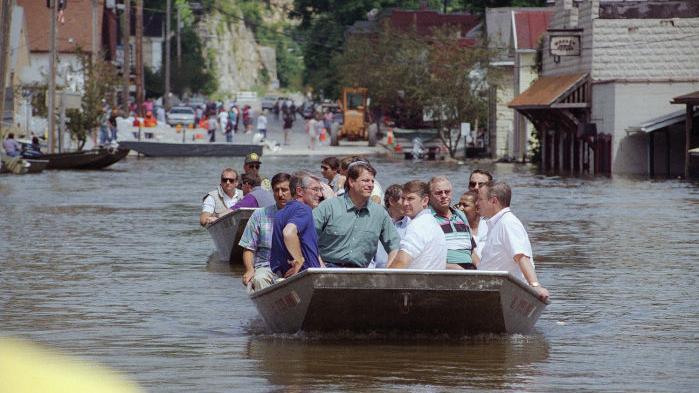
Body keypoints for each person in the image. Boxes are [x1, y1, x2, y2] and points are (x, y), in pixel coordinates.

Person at [313, 161, 400, 268]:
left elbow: (395, 246)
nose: (371, 185)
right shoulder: (328, 207)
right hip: (326, 268)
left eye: (372, 181)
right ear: (351, 182)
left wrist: (388, 272)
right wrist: (320, 267)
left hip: (360, 273)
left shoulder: (380, 213)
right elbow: (307, 238)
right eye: (365, 181)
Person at [476, 181, 550, 301]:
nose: (477, 203)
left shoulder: (508, 223)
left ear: (493, 201)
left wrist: (535, 285)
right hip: (493, 293)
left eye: (480, 199)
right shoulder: (497, 223)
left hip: (507, 296)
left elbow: (521, 257)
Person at [239, 173, 292, 292]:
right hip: (265, 266)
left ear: (292, 191)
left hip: (293, 266)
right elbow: (248, 248)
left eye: (284, 190)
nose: (280, 194)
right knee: (259, 279)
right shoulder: (259, 215)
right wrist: (249, 269)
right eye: (276, 190)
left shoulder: (301, 214)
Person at [269, 172, 324, 278]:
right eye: (315, 189)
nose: (320, 195)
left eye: (320, 190)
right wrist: (299, 260)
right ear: (299, 191)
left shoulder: (281, 213)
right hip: (305, 277)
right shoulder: (304, 209)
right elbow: (288, 233)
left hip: (286, 277)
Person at [388, 181, 447, 270]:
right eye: (403, 198)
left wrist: (383, 281)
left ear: (425, 201)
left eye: (410, 199)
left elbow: (401, 262)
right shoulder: (433, 223)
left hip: (416, 282)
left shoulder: (418, 225)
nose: (405, 203)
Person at [428, 176, 478, 270]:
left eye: (447, 192)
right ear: (429, 196)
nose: (443, 195)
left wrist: (483, 269)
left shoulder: (460, 215)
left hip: (469, 268)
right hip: (445, 270)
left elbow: (472, 252)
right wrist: (455, 268)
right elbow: (426, 257)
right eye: (439, 193)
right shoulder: (427, 218)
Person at [373, 184, 410, 268]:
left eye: (408, 199)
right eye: (403, 199)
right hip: (375, 273)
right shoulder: (376, 222)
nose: (407, 203)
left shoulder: (412, 225)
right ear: (392, 201)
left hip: (402, 273)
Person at [468, 169, 493, 252]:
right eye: (472, 184)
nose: (476, 187)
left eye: (481, 184)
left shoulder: (497, 215)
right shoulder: (457, 213)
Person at [456, 190, 485, 258]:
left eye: (465, 205)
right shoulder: (455, 227)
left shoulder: (490, 227)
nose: (460, 208)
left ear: (477, 208)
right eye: (459, 205)